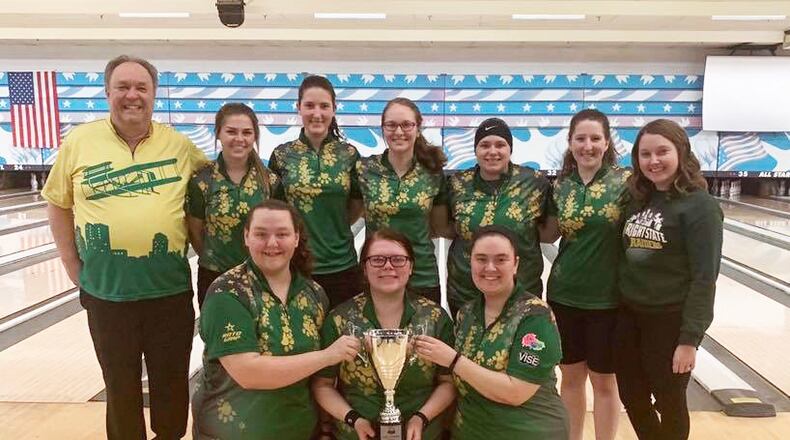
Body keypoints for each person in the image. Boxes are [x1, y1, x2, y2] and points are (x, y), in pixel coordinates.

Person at [42, 55, 208, 439]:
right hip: (106, 295)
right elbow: (57, 201)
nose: (132, 95)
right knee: (119, 386)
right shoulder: (79, 142)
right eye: (123, 87)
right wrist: (72, 265)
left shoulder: (180, 146)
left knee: (171, 383)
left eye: (141, 87)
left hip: (168, 292)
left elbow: (216, 185)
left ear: (154, 94)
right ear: (107, 92)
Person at [192, 199, 361, 440]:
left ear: (296, 238)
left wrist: (325, 428)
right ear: (246, 237)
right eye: (261, 234)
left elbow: (319, 381)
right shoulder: (228, 293)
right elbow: (248, 373)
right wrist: (328, 356)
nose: (272, 243)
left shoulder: (314, 294)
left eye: (282, 234)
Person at [616, 119, 723, 440]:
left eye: (662, 152)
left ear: (681, 152)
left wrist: (689, 340)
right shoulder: (636, 198)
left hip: (670, 320)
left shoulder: (701, 207)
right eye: (645, 154)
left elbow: (705, 277)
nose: (653, 160)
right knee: (632, 398)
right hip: (629, 316)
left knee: (669, 400)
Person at [416, 225, 568, 439]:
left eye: (501, 259)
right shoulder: (466, 314)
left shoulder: (535, 316)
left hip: (528, 432)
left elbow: (516, 392)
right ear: (470, 262)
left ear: (515, 264)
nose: (490, 267)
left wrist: (454, 360)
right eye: (481, 259)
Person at [312, 229, 455, 440]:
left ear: (411, 267)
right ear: (364, 268)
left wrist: (421, 418)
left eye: (398, 259)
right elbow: (322, 385)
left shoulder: (435, 318)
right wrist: (353, 419)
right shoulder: (339, 319)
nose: (388, 266)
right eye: (377, 260)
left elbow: (448, 382)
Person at [542, 109, 628, 440]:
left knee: (604, 381)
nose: (587, 145)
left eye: (595, 138)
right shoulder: (561, 185)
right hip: (564, 295)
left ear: (607, 143)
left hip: (608, 299)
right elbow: (548, 233)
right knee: (571, 378)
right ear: (570, 142)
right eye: (580, 138)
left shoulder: (626, 183)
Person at [269, 75, 364, 308]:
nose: (317, 113)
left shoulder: (349, 155)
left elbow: (355, 207)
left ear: (334, 109)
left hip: (342, 266)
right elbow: (276, 211)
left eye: (324, 106)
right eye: (309, 105)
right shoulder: (282, 155)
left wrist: (331, 226)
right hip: (296, 266)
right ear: (298, 107)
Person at [447, 117, 552, 315]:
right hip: (466, 295)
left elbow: (550, 231)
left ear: (510, 149)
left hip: (522, 294)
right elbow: (443, 226)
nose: (492, 151)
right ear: (475, 150)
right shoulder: (456, 184)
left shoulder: (535, 183)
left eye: (500, 145)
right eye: (484, 145)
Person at [186, 103, 280, 308]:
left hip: (262, 276)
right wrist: (216, 259)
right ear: (218, 134)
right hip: (214, 276)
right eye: (231, 132)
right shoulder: (201, 180)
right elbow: (195, 232)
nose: (239, 138)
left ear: (255, 136)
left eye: (246, 132)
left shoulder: (270, 182)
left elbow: (279, 231)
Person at [356, 98, 449, 303]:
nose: (399, 132)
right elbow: (351, 215)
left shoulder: (433, 172)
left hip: (422, 276)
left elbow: (439, 227)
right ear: (383, 128)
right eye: (391, 125)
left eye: (406, 125)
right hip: (378, 274)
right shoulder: (364, 169)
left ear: (418, 128)